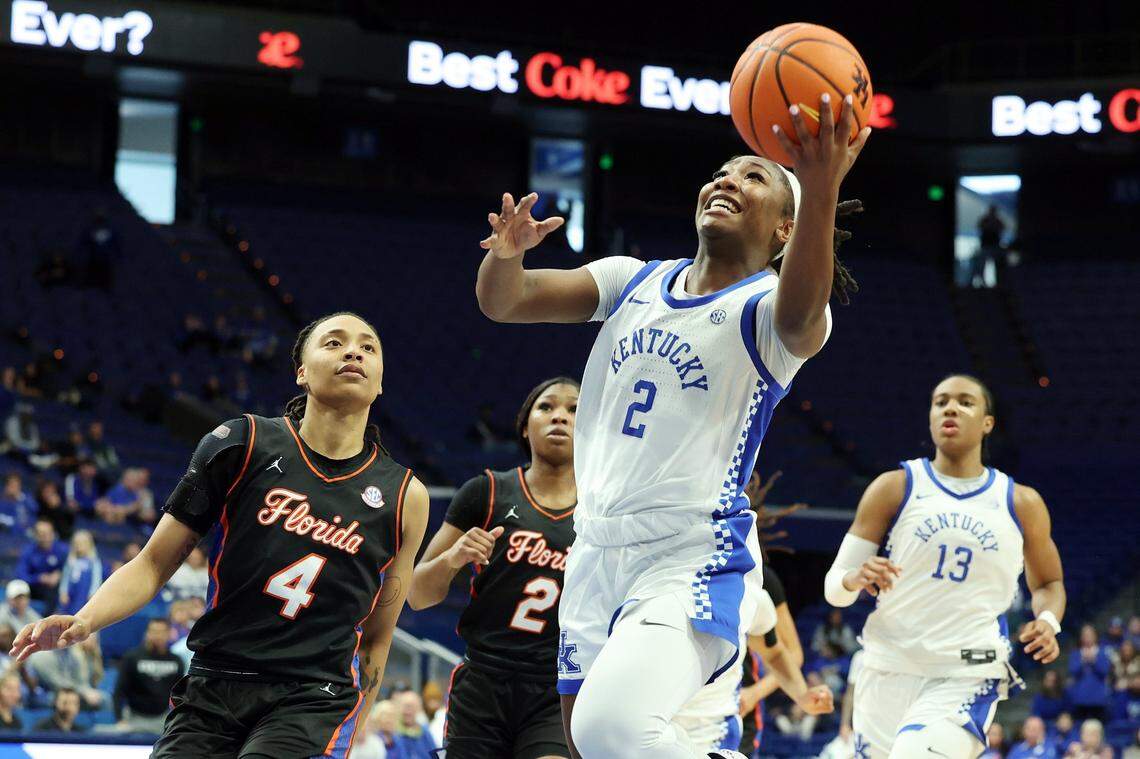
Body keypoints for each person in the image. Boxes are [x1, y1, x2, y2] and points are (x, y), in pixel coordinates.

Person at [475, 93, 869, 759]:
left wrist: (822, 183)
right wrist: (507, 254)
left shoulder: (769, 314)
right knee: (586, 746)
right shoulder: (631, 281)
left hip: (688, 552)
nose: (727, 180)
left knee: (610, 731)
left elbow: (805, 313)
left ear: (784, 231)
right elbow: (505, 300)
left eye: (753, 177)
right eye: (722, 170)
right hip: (596, 551)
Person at [11, 312, 429, 759]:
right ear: (301, 372)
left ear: (380, 380)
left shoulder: (405, 496)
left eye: (368, 347)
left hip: (314, 695)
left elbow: (379, 636)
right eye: (333, 342)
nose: (353, 352)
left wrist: (354, 725)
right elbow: (153, 564)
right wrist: (85, 620)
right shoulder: (241, 443)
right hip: (215, 681)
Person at [826, 375, 1066, 759]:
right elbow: (834, 587)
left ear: (988, 422)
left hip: (967, 671)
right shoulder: (894, 487)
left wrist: (1048, 621)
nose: (950, 408)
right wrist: (854, 578)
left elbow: (1049, 582)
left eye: (965, 402)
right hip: (887, 666)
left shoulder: (1021, 502)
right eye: (940, 402)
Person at [410, 377, 579, 759]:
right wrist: (454, 558)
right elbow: (417, 594)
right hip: (483, 683)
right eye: (547, 407)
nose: (560, 417)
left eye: (574, 411)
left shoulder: (603, 511)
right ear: (525, 425)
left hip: (557, 689)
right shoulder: (486, 492)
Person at [672, 583, 832, 754]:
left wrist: (800, 695)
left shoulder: (749, 589)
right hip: (657, 722)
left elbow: (777, 653)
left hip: (715, 726)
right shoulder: (654, 584)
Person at [114, 617, 185, 733]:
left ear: (168, 634)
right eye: (154, 631)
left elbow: (181, 695)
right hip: (134, 718)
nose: (157, 636)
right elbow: (119, 691)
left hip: (164, 719)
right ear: (147, 633)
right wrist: (119, 719)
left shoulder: (176, 661)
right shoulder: (132, 658)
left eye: (161, 632)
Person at [17, 519, 69, 605]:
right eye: (40, 534)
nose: (44, 537)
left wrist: (60, 574)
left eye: (47, 533)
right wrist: (40, 578)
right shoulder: (28, 551)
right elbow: (21, 576)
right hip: (34, 589)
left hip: (56, 589)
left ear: (53, 534)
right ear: (35, 535)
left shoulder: (63, 550)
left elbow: (72, 568)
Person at [1068, 625, 1111, 722]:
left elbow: (1104, 671)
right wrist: (1083, 660)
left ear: (1095, 636)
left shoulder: (1103, 653)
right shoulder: (1076, 654)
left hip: (1098, 699)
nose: (1087, 638)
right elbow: (1073, 671)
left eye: (1090, 635)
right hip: (1080, 698)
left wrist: (1094, 660)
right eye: (1085, 635)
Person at [58, 530, 102, 617]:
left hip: (84, 595)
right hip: (71, 595)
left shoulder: (94, 562)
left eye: (82, 543)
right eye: (76, 543)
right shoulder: (71, 561)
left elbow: (96, 580)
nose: (78, 545)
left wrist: (93, 593)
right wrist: (63, 592)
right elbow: (65, 578)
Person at [394, 690, 435, 756]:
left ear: (418, 709)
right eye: (404, 706)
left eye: (411, 706)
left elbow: (434, 755)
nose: (407, 711)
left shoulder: (425, 732)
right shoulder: (394, 732)